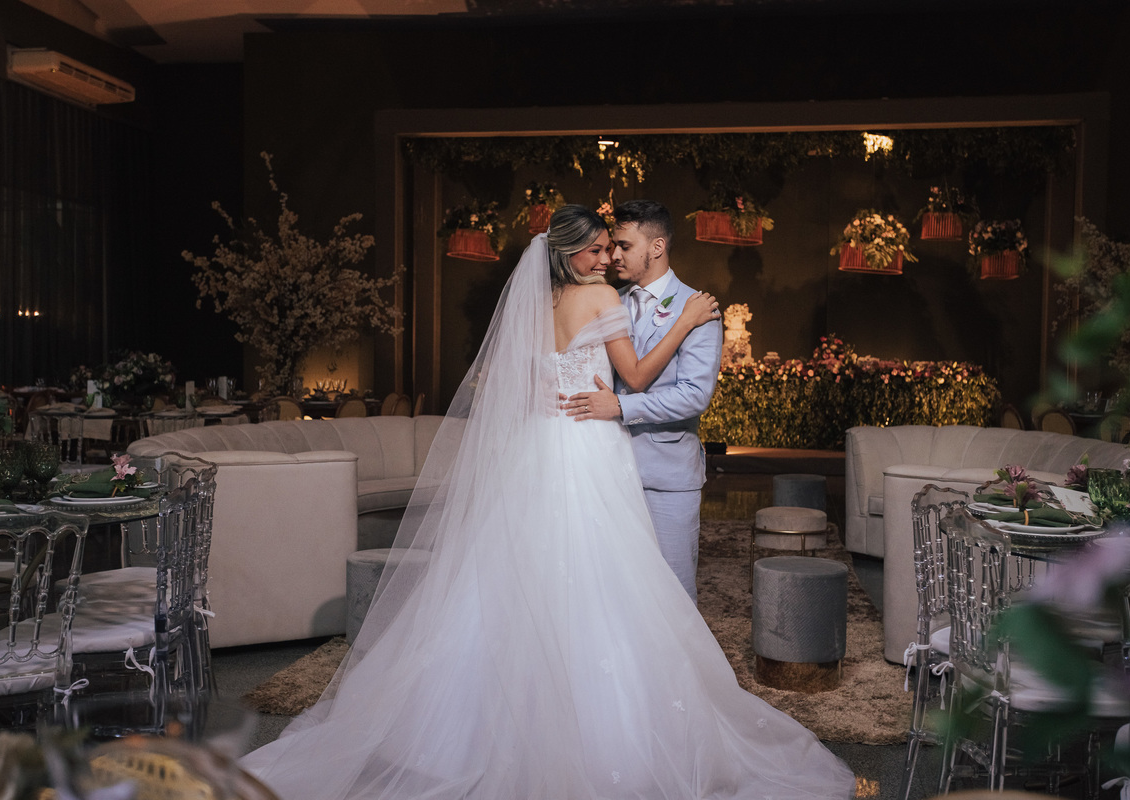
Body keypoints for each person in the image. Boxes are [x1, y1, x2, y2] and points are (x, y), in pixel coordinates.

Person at [240, 205, 856, 800]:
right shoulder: (603, 297)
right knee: (612, 581)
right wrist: (683, 322)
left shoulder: (539, 303)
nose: (608, 257)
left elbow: (536, 379)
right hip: (589, 447)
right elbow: (636, 378)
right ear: (572, 252)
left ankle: (483, 724)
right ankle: (629, 725)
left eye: (615, 247)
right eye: (599, 248)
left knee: (528, 577)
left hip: (540, 448)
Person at [563, 200, 719, 604]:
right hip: (605, 472)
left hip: (666, 477)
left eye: (624, 246)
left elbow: (694, 394)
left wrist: (622, 407)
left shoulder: (698, 309)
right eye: (611, 246)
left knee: (673, 595)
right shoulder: (606, 298)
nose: (613, 255)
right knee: (617, 597)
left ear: (657, 246)